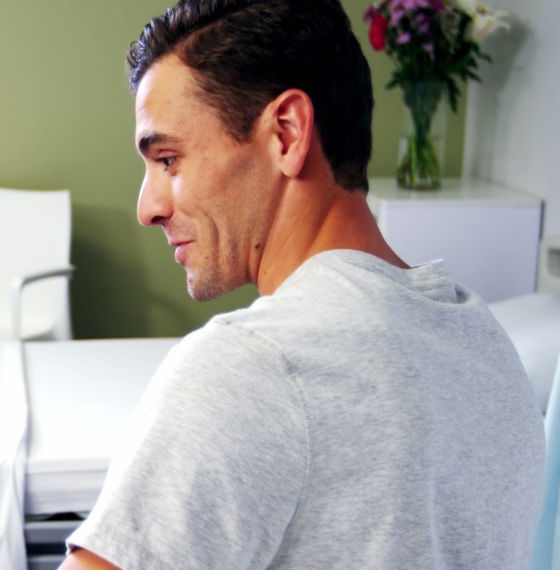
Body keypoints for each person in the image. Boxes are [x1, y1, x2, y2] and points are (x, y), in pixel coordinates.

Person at [62, 1, 544, 568]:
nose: (147, 207)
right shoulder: (488, 348)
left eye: (169, 159)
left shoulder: (249, 368)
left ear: (287, 133)